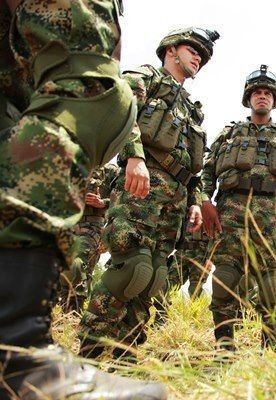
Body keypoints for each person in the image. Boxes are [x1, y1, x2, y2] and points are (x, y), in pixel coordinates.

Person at [0, 0, 166, 398]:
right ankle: (16, 356)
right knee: (94, 93)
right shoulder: (149, 78)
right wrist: (136, 155)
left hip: (165, 203)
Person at [79, 26, 218, 358]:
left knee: (154, 275)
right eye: (192, 50)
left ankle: (126, 355)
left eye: (202, 55)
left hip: (176, 199)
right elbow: (119, 110)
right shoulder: (146, 78)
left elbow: (192, 164)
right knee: (132, 266)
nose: (198, 57)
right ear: (171, 51)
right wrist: (134, 157)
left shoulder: (192, 109)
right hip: (142, 186)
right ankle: (91, 350)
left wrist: (195, 201)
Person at [201, 65, 276, 350]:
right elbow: (207, 172)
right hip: (230, 213)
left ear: (274, 100)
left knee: (272, 285)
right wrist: (205, 202)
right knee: (225, 279)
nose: (262, 97)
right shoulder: (229, 133)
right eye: (257, 93)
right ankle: (224, 348)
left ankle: (270, 350)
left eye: (267, 93)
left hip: (272, 216)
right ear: (248, 98)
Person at [61, 163, 120, 313]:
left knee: (77, 264)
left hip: (92, 227)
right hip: (65, 224)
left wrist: (103, 203)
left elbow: (125, 198)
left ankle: (72, 312)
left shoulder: (110, 171)